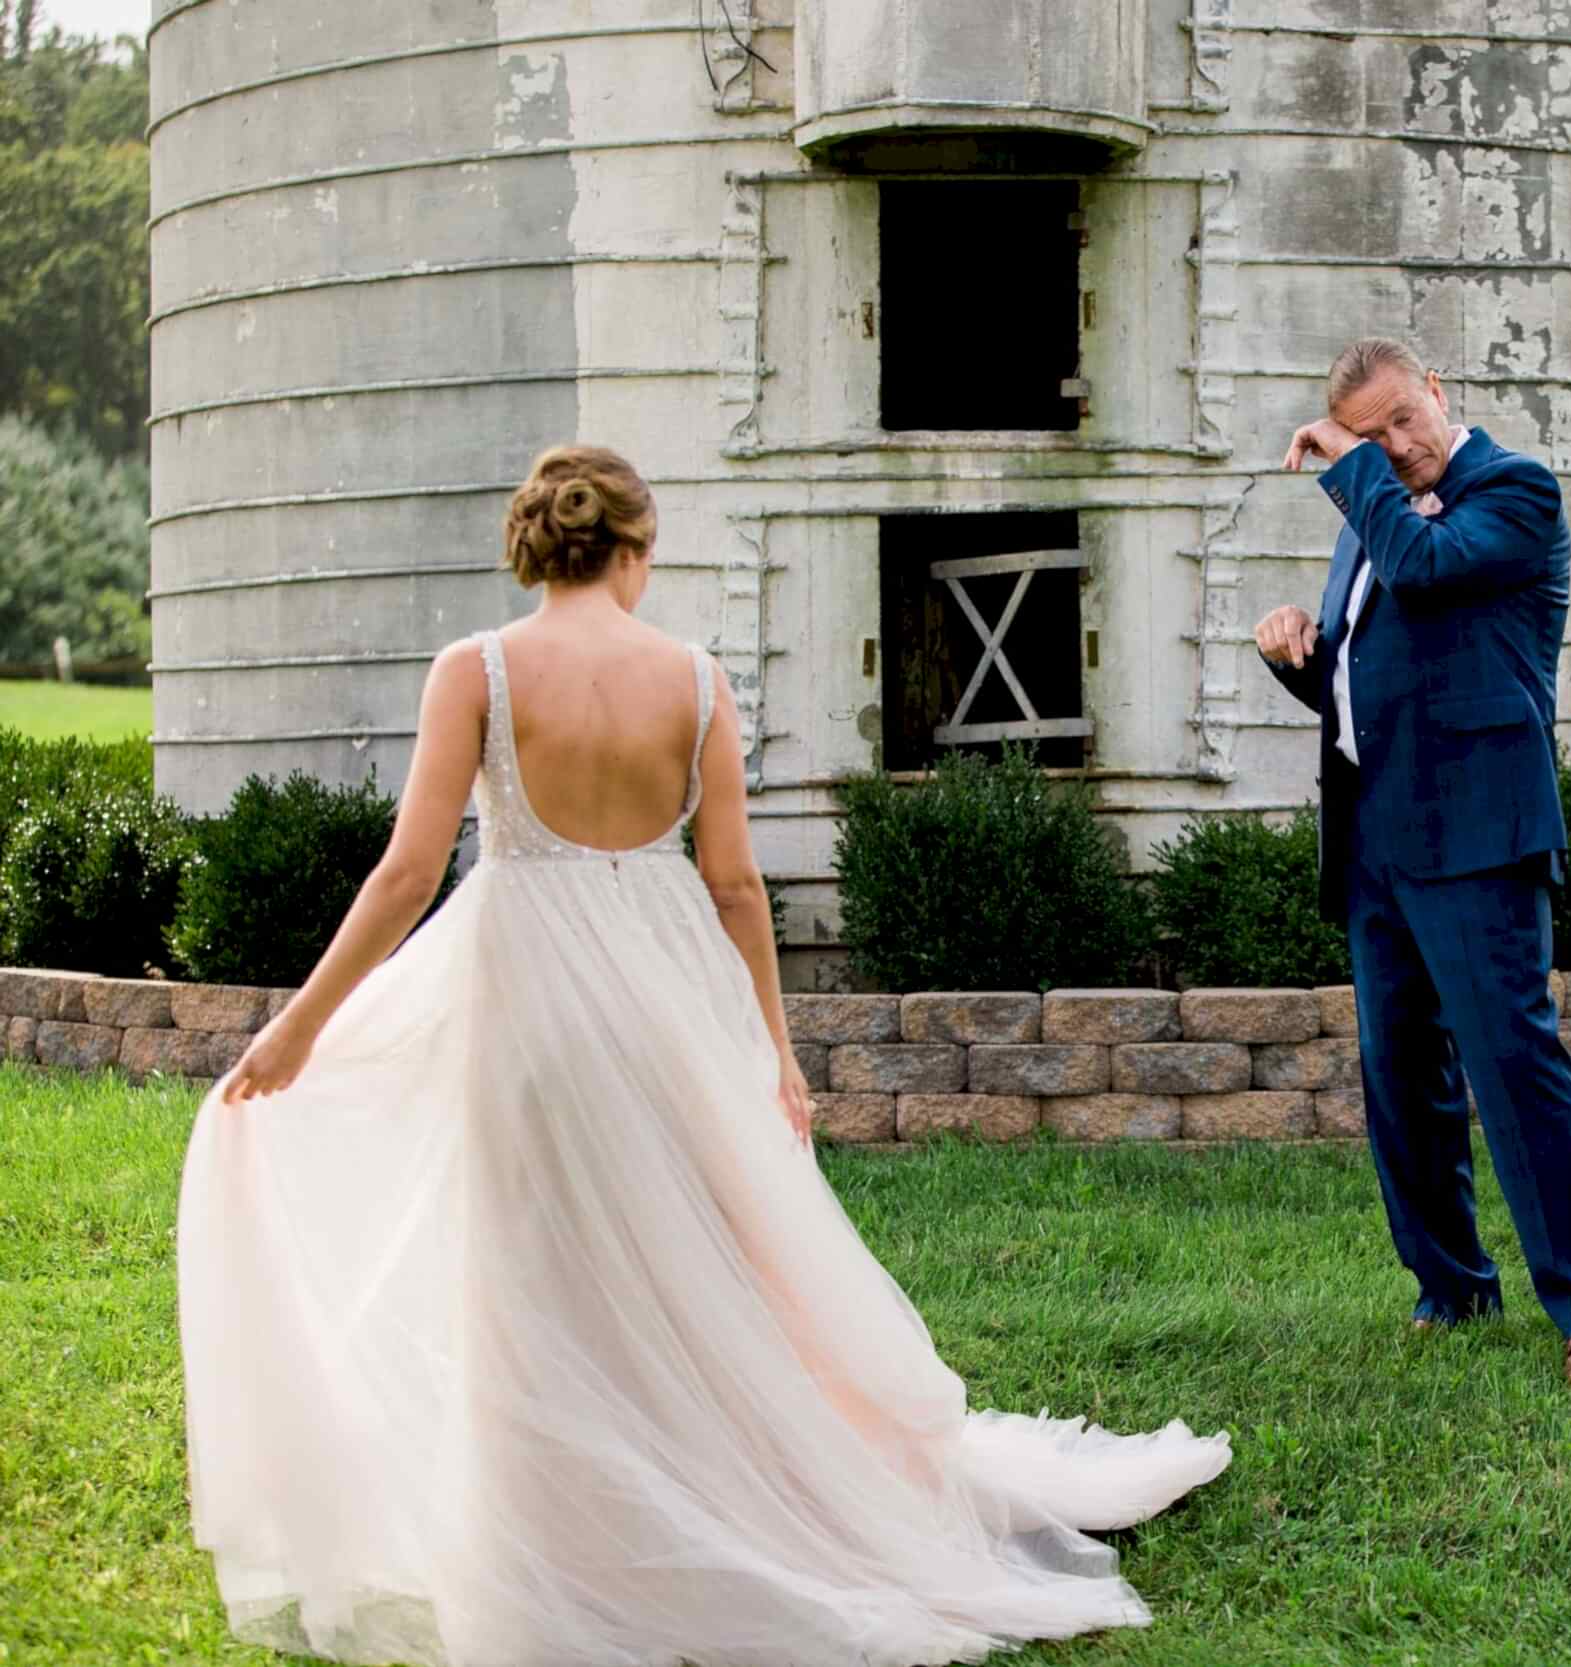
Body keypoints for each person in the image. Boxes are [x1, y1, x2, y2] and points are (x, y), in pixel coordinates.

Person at [178, 444, 1230, 1667]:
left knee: (529, 1266)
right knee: (686, 1253)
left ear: (536, 545)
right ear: (635, 548)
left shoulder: (474, 670)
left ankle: (557, 1541)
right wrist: (774, 1052)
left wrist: (298, 1023)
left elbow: (410, 871)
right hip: (664, 1001)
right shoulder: (695, 678)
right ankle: (707, 1486)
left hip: (524, 1001)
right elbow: (734, 885)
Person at [1255, 339, 1571, 1389]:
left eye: (1402, 420)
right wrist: (1296, 652)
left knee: (1516, 1073)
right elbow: (1372, 683)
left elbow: (1426, 565)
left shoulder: (1513, 489)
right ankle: (1451, 1286)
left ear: (1438, 393)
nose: (1396, 446)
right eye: (1371, 435)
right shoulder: (1371, 516)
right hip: (1379, 840)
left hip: (1477, 838)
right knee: (1399, 1082)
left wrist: (1350, 466)